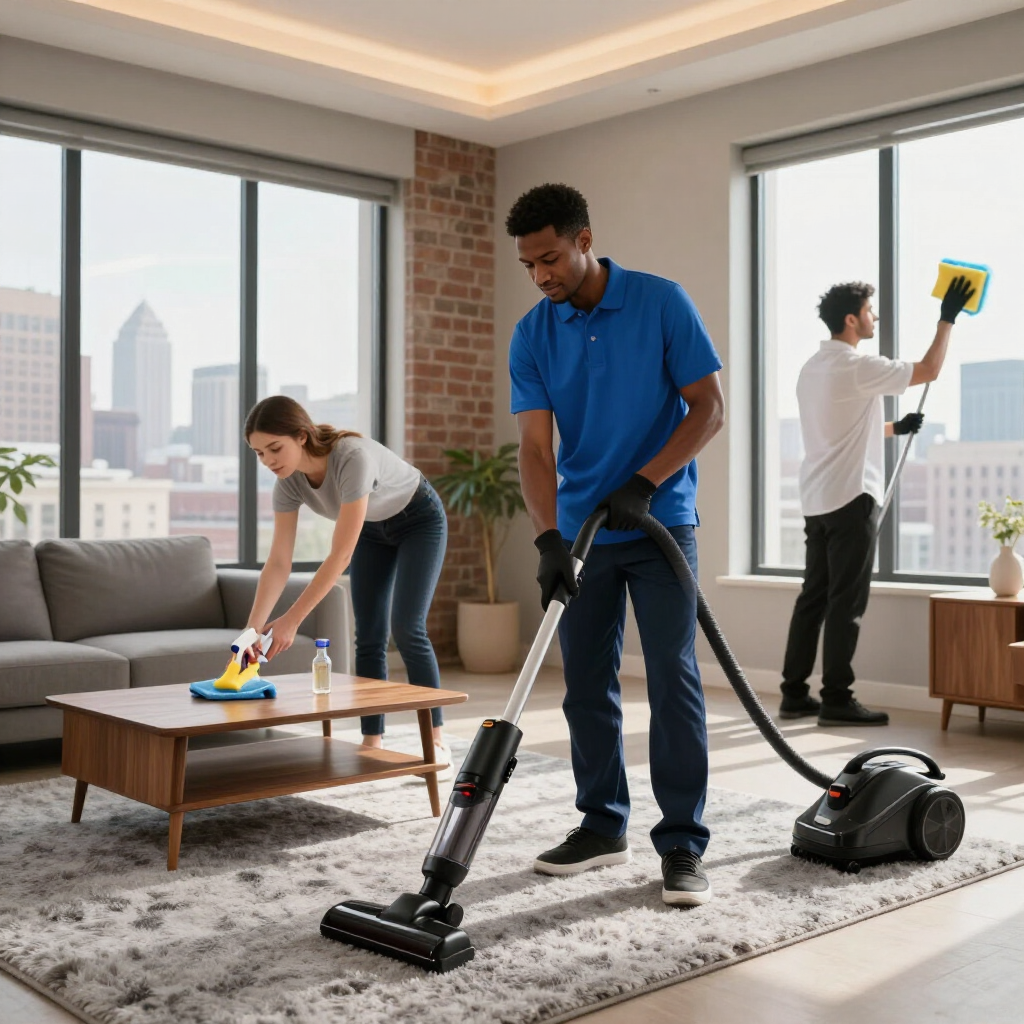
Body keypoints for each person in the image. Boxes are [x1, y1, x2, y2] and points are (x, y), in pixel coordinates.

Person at [507, 183, 725, 906]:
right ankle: (602, 825)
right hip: (582, 534)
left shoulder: (662, 302)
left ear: (584, 238)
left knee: (672, 676)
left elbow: (709, 408)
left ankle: (684, 844)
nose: (542, 276)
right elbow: (535, 450)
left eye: (551, 258)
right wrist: (546, 538)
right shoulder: (533, 333)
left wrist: (647, 480)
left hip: (662, 523)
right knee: (585, 684)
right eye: (529, 265)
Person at [778, 276, 974, 726]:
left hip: (817, 498)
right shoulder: (856, 366)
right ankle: (837, 698)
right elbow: (928, 370)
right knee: (847, 602)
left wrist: (894, 428)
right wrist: (947, 319)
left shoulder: (812, 368)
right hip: (851, 498)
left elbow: (839, 427)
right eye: (870, 311)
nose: (875, 317)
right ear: (852, 319)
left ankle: (794, 694)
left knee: (813, 599)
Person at [243, 395, 452, 779]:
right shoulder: (287, 485)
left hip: (419, 519)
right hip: (373, 529)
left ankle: (435, 738)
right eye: (259, 454)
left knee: (408, 627)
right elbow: (278, 562)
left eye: (275, 448)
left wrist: (291, 620)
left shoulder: (351, 458)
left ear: (302, 436)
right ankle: (373, 738)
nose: (269, 461)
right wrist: (252, 630)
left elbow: (339, 556)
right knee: (369, 635)